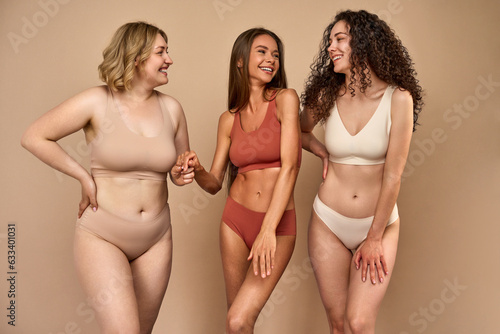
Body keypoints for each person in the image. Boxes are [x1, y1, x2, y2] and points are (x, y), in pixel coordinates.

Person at [21, 22, 193, 333]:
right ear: (136, 57)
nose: (169, 59)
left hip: (156, 239)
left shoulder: (172, 108)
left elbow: (180, 169)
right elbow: (34, 136)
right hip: (103, 235)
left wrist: (182, 173)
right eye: (161, 52)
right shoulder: (97, 101)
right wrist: (83, 178)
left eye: (167, 51)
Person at [300, 10, 423, 334]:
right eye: (330, 41)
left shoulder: (398, 99)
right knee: (339, 325)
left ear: (365, 43)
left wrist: (374, 237)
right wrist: (320, 149)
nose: (330, 47)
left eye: (339, 39)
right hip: (328, 222)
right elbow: (297, 131)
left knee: (359, 322)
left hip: (378, 224)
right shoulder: (327, 94)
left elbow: (394, 176)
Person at [178, 28, 301, 333]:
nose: (270, 59)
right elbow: (215, 182)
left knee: (237, 320)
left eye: (275, 54)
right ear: (240, 60)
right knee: (237, 321)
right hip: (234, 222)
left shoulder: (286, 99)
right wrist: (196, 168)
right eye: (262, 51)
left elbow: (291, 167)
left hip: (277, 224)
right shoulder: (228, 119)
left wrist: (268, 230)